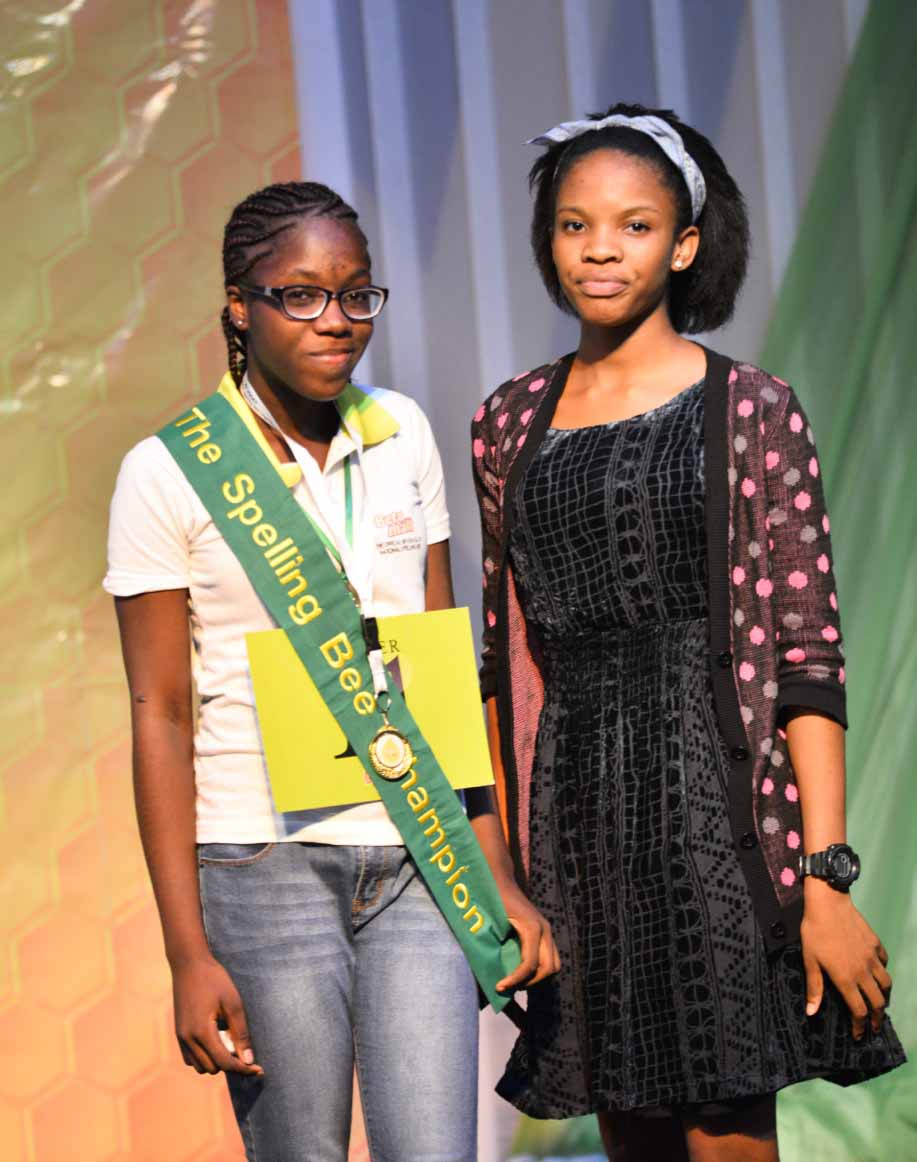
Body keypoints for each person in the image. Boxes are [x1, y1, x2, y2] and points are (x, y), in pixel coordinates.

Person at [471, 104, 905, 1160]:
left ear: (684, 243)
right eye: (573, 226)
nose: (598, 251)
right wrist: (503, 878)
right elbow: (497, 661)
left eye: (631, 225)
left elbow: (806, 657)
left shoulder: (751, 409)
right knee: (632, 1135)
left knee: (726, 1137)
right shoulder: (505, 421)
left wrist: (824, 875)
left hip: (720, 807)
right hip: (576, 820)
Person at [105, 180, 555, 1162]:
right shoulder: (167, 470)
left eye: (356, 294)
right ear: (239, 304)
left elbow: (435, 664)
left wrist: (496, 870)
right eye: (300, 294)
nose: (336, 320)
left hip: (415, 859)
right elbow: (160, 717)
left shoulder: (402, 437)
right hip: (260, 863)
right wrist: (187, 953)